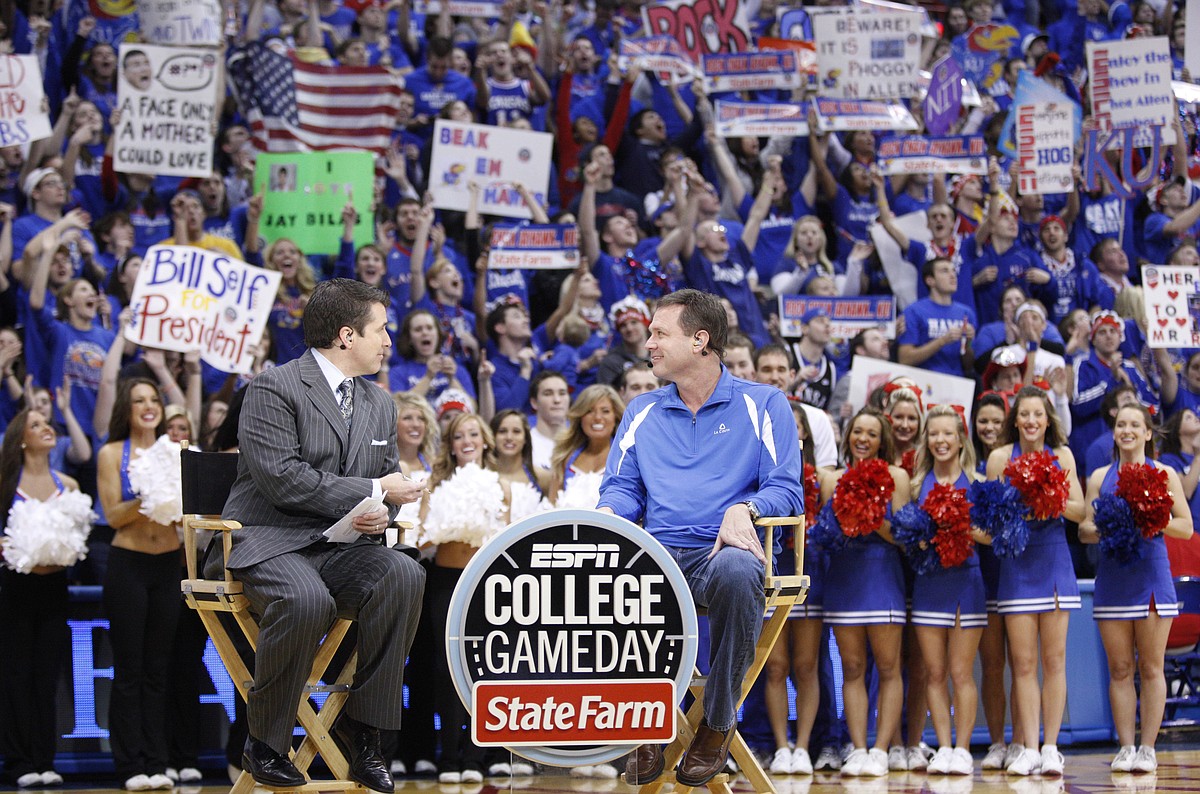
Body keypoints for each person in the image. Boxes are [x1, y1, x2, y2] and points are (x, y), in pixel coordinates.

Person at [210, 278, 426, 793]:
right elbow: (282, 478)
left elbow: (385, 482)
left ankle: (366, 733)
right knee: (306, 599)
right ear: (347, 336)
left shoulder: (380, 402)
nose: (389, 341)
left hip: (341, 544)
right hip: (269, 538)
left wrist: (381, 511)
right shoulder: (273, 387)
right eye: (382, 330)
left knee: (404, 574)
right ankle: (264, 741)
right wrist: (374, 487)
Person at [598, 289, 803, 787]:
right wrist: (608, 514)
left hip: (723, 554)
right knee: (610, 568)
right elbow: (622, 488)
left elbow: (787, 488)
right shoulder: (642, 410)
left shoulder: (764, 403)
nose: (649, 343)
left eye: (659, 333)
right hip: (659, 555)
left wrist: (746, 508)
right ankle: (648, 718)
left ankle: (715, 723)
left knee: (737, 569)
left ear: (700, 340)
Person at [1080, 404, 1193, 773]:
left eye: (1134, 425)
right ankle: (1126, 747)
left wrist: (1149, 518)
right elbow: (1084, 529)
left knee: (1151, 666)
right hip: (1113, 580)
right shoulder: (1099, 476)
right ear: (1114, 432)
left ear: (1147, 433)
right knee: (1120, 668)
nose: (1126, 430)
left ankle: (1148, 748)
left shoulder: (1165, 473)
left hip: (1151, 578)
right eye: (1120, 425)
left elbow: (1185, 527)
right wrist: (1114, 524)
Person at [985, 386, 1085, 777]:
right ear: (1016, 420)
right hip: (1017, 566)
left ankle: (1050, 747)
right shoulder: (998, 458)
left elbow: (1079, 511)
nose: (1030, 421)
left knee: (1054, 660)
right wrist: (1014, 508)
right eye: (1023, 414)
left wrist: (1047, 492)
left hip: (1055, 561)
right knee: (1023, 664)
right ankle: (1026, 746)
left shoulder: (1062, 456)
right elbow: (988, 517)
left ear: (1047, 420)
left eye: (1037, 414)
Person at [96, 378, 181, 791]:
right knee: (130, 669)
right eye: (138, 401)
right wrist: (150, 495)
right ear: (126, 410)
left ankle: (157, 761)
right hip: (128, 564)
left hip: (169, 563)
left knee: (158, 669)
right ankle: (129, 766)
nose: (148, 406)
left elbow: (186, 512)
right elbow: (113, 515)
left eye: (153, 399)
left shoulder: (177, 452)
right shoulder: (112, 453)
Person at [0, 409, 90, 789]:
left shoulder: (67, 484)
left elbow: (78, 537)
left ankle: (44, 758)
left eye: (46, 422)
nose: (45, 428)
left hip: (55, 589)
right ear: (21, 438)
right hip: (14, 589)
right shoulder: (5, 484)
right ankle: (19, 762)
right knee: (15, 675)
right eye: (35, 425)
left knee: (47, 675)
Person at [819, 408, 911, 778]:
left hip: (883, 578)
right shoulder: (832, 479)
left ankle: (881, 748)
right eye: (857, 431)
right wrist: (845, 517)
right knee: (852, 668)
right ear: (848, 436)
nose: (863, 439)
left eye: (872, 434)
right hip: (845, 579)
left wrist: (873, 513)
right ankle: (857, 748)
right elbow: (825, 536)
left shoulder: (897, 477)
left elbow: (904, 538)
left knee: (888, 668)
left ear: (882, 440)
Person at [909, 406, 984, 776]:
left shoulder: (978, 482)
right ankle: (944, 746)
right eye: (933, 434)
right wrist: (923, 539)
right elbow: (909, 536)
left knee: (960, 672)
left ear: (960, 439)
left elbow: (989, 535)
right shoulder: (915, 483)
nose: (940, 440)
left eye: (947, 434)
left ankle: (964, 749)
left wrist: (958, 525)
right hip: (928, 585)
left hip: (966, 584)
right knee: (934, 673)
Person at [549, 384, 624, 502]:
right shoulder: (564, 458)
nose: (598, 417)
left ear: (616, 417)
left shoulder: (626, 459)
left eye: (605, 411)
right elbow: (551, 507)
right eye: (589, 411)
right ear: (580, 417)